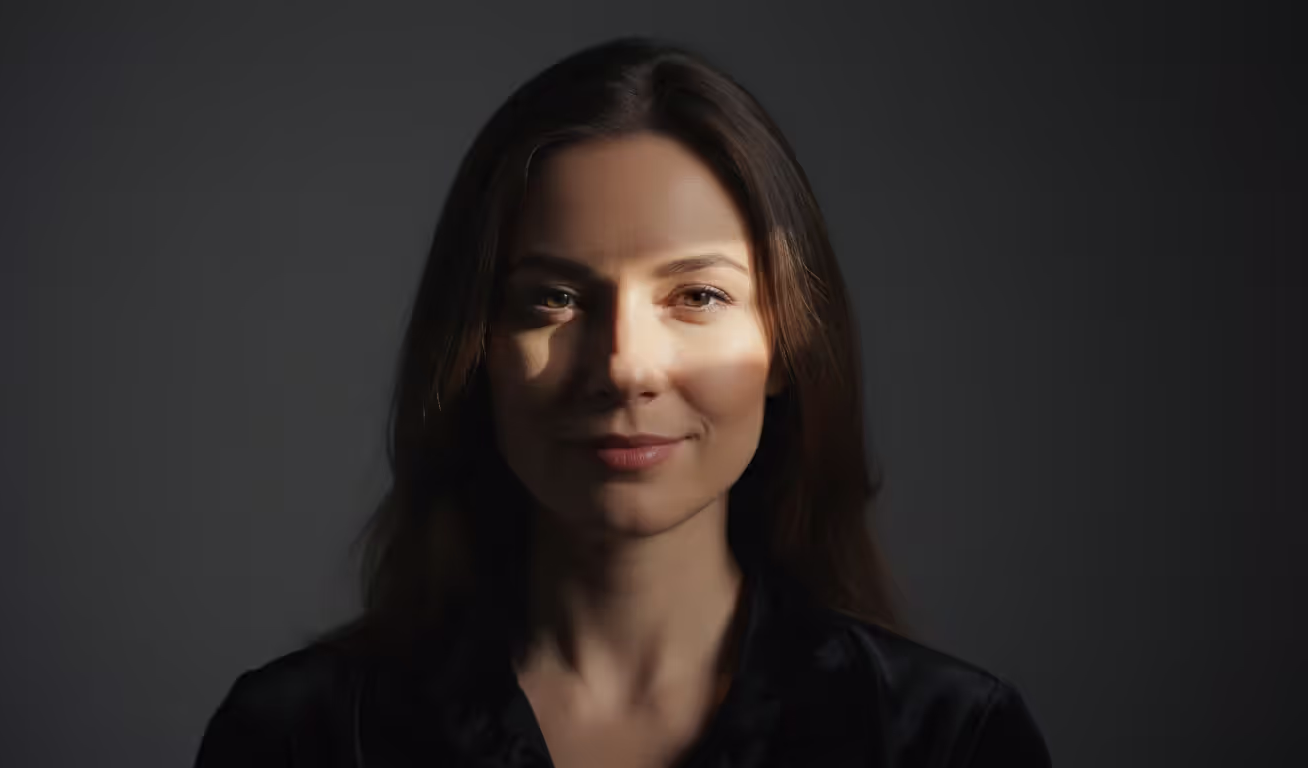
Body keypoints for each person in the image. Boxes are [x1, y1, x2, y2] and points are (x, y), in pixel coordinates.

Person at [193, 36, 1052, 768]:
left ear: (786, 347)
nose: (624, 367)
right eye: (552, 299)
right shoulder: (297, 740)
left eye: (697, 296)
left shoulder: (950, 742)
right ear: (474, 349)